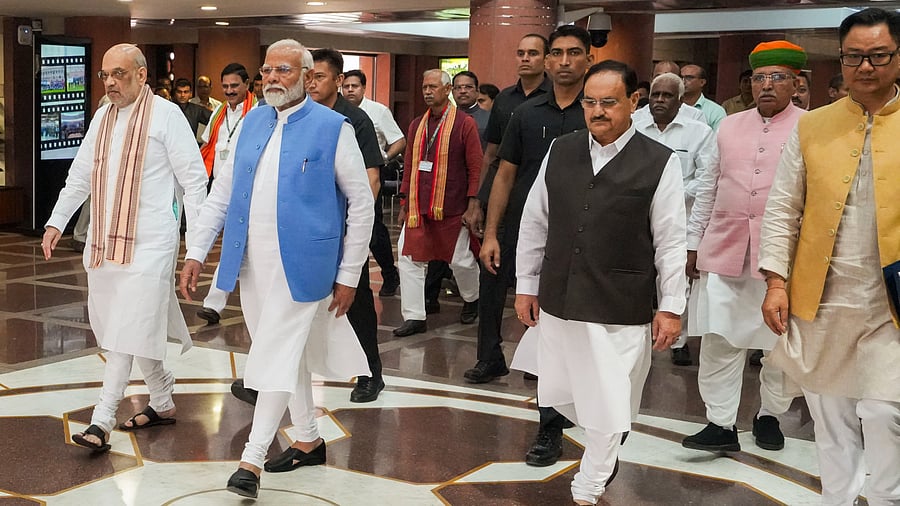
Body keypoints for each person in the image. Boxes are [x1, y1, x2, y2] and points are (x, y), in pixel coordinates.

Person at [180, 38, 374, 499]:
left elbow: (362, 205)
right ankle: (307, 438)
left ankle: (251, 459)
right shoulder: (251, 122)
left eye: (283, 71)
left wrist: (349, 275)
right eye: (266, 71)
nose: (272, 79)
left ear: (307, 78)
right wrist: (195, 251)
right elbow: (222, 193)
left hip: (304, 267)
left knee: (273, 356)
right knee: (291, 354)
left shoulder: (333, 127)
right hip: (251, 263)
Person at [514, 60, 687, 505]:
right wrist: (526, 284)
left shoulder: (659, 161)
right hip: (560, 299)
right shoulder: (562, 150)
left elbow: (671, 241)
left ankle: (587, 488)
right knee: (568, 392)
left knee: (610, 402)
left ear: (634, 101)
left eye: (609, 102)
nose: (597, 111)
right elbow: (535, 221)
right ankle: (601, 460)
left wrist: (671, 307)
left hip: (619, 305)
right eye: (590, 102)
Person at [760, 8, 900, 504]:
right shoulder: (813, 126)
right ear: (840, 61)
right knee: (830, 413)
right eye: (854, 57)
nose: (865, 66)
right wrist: (776, 281)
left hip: (893, 303)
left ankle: (886, 498)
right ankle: (837, 498)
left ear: (898, 58)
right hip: (822, 296)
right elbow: (782, 207)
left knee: (886, 413)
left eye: (878, 55)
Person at [41, 43, 208, 453]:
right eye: (105, 75)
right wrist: (56, 221)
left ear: (141, 75)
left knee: (125, 330)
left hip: (151, 243)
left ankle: (102, 419)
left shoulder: (167, 117)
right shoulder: (102, 117)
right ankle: (162, 399)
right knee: (126, 325)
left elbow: (193, 182)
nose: (110, 82)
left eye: (118, 74)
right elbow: (80, 175)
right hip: (104, 242)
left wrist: (198, 247)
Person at [682, 40, 806, 454]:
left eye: (777, 78)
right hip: (726, 248)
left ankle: (769, 415)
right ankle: (720, 423)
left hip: (785, 260)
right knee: (719, 340)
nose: (766, 86)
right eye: (759, 78)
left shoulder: (811, 127)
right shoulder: (729, 125)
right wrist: (692, 243)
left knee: (780, 348)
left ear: (796, 83)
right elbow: (707, 187)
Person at [484, 25, 593, 468]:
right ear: (547, 62)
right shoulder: (526, 114)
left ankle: (599, 421)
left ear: (588, 60)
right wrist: (491, 232)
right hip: (535, 238)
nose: (565, 61)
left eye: (574, 53)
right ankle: (549, 426)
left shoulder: (601, 113)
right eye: (558, 54)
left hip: (592, 242)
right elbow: (505, 174)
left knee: (592, 335)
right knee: (545, 335)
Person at [461, 33, 551, 384]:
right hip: (507, 203)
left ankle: (536, 359)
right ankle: (489, 357)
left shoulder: (558, 99)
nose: (525, 58)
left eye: (533, 53)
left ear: (545, 59)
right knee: (492, 279)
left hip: (544, 206)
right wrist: (478, 202)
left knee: (539, 285)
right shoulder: (506, 101)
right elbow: (492, 156)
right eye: (520, 52)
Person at [307, 48, 387, 403]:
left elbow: (371, 179)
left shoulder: (356, 120)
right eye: (307, 76)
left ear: (338, 80)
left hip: (343, 227)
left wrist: (354, 229)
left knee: (355, 301)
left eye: (319, 77)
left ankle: (372, 373)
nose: (311, 83)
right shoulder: (300, 115)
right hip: (307, 226)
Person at [633, 71, 717, 367]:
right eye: (655, 94)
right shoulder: (636, 127)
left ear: (681, 101)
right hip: (638, 216)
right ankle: (642, 332)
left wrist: (673, 191)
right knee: (640, 274)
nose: (659, 100)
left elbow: (708, 177)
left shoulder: (699, 132)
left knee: (675, 276)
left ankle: (678, 341)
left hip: (681, 217)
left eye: (667, 96)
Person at [392, 69, 482, 337]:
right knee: (408, 259)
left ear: (447, 90)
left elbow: (476, 166)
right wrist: (405, 202)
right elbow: (409, 165)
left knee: (461, 261)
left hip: (452, 207)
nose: (427, 92)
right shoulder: (416, 124)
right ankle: (414, 316)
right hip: (418, 208)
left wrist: (472, 205)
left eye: (433, 87)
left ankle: (472, 299)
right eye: (424, 87)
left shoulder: (464, 123)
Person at [195, 63, 257, 325]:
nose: (230, 91)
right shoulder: (218, 112)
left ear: (246, 85)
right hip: (222, 187)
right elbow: (208, 143)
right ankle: (213, 304)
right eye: (226, 87)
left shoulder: (258, 113)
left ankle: (215, 303)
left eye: (235, 86)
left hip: (250, 190)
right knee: (235, 245)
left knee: (237, 245)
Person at [341, 69, 404, 297]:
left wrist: (384, 158)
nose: (350, 90)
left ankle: (389, 273)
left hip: (370, 176)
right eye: (346, 86)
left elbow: (399, 140)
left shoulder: (377, 112)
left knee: (374, 229)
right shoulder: (335, 112)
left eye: (354, 86)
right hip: (343, 178)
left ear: (363, 88)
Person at [633, 61, 704, 124]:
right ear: (651, 79)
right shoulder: (636, 117)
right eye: (659, 76)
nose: (663, 81)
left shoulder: (695, 116)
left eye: (669, 77)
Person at [681, 63, 727, 130]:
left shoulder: (715, 111)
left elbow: (719, 138)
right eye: (681, 77)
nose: (683, 81)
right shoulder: (671, 106)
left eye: (689, 78)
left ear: (702, 82)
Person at [452, 70, 490, 146]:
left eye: (468, 87)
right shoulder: (446, 119)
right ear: (452, 92)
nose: (463, 91)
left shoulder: (490, 118)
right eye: (458, 87)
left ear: (477, 92)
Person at [172, 77, 212, 142]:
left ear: (190, 94)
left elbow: (215, 120)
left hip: (190, 147)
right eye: (179, 92)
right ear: (175, 93)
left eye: (186, 92)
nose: (182, 95)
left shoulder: (197, 110)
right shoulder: (168, 108)